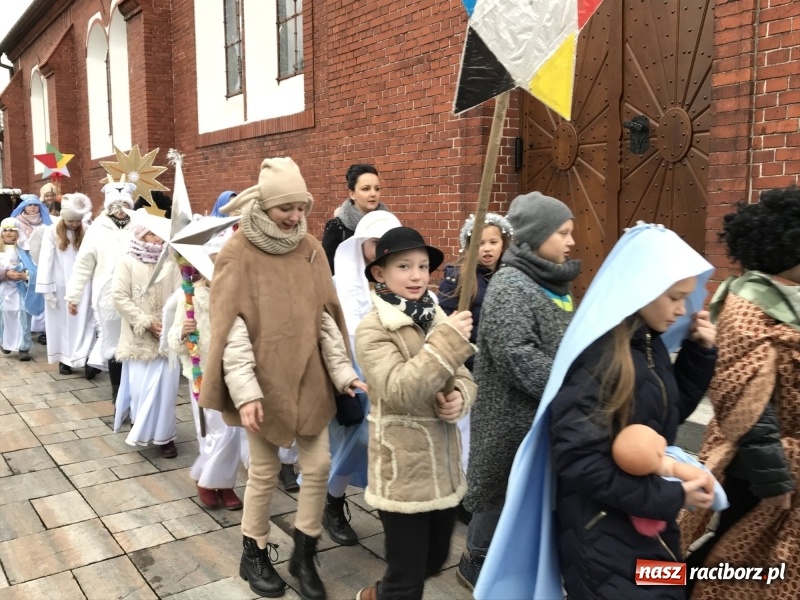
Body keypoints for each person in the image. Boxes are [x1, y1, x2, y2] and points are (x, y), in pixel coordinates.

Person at [473, 222, 719, 600]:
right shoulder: (602, 358)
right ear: (642, 290)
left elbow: (660, 421)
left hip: (642, 527)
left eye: (687, 297)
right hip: (604, 537)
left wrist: (698, 355)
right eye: (674, 296)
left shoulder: (645, 346)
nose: (683, 309)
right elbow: (579, 461)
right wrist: (672, 498)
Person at [201, 157, 364, 600]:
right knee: (266, 470)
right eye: (284, 208)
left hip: (309, 377)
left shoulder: (310, 247)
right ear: (266, 204)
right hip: (261, 381)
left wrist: (343, 372)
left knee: (318, 465)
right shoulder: (238, 252)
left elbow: (327, 320)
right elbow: (230, 329)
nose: (294, 217)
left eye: (300, 207)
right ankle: (252, 550)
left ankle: (304, 553)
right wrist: (247, 391)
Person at [681, 187, 800, 600]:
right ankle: (663, 589)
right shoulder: (749, 305)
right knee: (726, 552)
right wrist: (776, 481)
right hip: (755, 467)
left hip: (785, 466)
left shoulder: (791, 301)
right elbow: (746, 406)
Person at [458, 192, 581, 589]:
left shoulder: (555, 283)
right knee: (498, 491)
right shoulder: (512, 284)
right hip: (509, 416)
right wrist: (571, 384)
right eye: (562, 232)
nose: (570, 241)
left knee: (527, 491)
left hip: (545, 412)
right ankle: (474, 559)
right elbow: (516, 354)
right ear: (537, 235)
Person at [354, 226, 477, 600]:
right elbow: (399, 391)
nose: (416, 275)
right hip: (403, 469)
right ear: (380, 273)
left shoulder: (436, 315)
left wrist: (459, 396)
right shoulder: (373, 328)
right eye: (404, 266)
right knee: (408, 581)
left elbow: (464, 377)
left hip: (443, 467)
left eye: (423, 266)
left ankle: (378, 594)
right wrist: (448, 343)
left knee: (435, 560)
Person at [325, 210, 402, 545]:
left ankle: (392, 510)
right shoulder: (338, 286)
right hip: (350, 381)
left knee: (385, 447)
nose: (384, 249)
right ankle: (332, 504)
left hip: (387, 380)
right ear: (361, 245)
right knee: (350, 445)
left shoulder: (401, 283)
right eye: (376, 243)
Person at [438, 212, 513, 525]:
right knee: (465, 438)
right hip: (468, 368)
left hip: (497, 373)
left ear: (504, 244)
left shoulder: (509, 276)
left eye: (493, 242)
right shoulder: (459, 276)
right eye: (480, 242)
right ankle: (461, 497)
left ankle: (479, 491)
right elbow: (443, 316)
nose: (487, 248)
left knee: (488, 439)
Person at [166, 231, 247, 509]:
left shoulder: (237, 295)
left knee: (233, 432)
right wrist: (182, 332)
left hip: (234, 371)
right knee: (216, 433)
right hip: (203, 373)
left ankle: (218, 481)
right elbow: (172, 339)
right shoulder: (189, 297)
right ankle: (209, 482)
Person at [112, 211, 181, 457]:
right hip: (138, 337)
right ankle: (140, 425)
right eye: (152, 234)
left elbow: (178, 295)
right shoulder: (127, 262)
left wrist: (169, 322)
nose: (157, 240)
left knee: (166, 389)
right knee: (142, 388)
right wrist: (144, 321)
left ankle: (165, 437)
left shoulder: (171, 263)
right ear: (141, 235)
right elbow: (120, 296)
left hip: (166, 336)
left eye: (161, 236)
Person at [66, 177, 137, 399]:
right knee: (114, 344)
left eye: (124, 205)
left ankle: (135, 389)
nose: (120, 210)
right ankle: (118, 393)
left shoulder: (140, 226)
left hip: (138, 293)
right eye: (115, 205)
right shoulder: (97, 229)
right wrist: (74, 295)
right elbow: (83, 263)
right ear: (107, 207)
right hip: (108, 295)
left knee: (137, 341)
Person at [34, 194, 98, 377]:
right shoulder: (51, 231)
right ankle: (64, 359)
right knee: (61, 324)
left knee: (85, 322)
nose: (74, 224)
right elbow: (45, 260)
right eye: (71, 220)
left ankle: (86, 358)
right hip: (59, 285)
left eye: (78, 221)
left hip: (83, 284)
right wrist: (47, 290)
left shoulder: (87, 229)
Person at [322, 164, 389, 273]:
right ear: (352, 194)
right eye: (366, 189)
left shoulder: (388, 224)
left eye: (377, 189)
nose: (373, 194)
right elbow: (328, 270)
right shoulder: (337, 227)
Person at [0, 218, 42, 360]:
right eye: (5, 230)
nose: (8, 233)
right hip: (4, 289)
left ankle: (24, 347)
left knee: (23, 314)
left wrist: (26, 275)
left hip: (21, 289)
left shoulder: (25, 251)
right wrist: (5, 274)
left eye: (12, 230)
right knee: (4, 314)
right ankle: (5, 342)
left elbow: (34, 267)